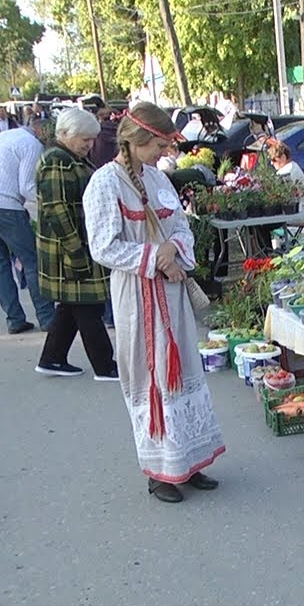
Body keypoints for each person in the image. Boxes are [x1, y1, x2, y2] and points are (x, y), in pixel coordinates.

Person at [83, 102, 225, 503]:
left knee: (183, 371)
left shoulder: (158, 181)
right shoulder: (104, 183)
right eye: (160, 145)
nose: (165, 153)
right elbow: (103, 246)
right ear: (138, 140)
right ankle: (160, 473)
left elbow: (182, 227)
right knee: (152, 378)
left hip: (172, 291)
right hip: (137, 296)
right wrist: (154, 257)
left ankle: (190, 460)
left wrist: (174, 251)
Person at [34, 107, 116, 380]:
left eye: (92, 139)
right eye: (85, 139)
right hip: (68, 249)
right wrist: (76, 252)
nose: (89, 145)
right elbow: (57, 209)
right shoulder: (58, 160)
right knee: (88, 305)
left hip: (72, 246)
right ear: (65, 134)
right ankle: (105, 366)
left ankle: (52, 359)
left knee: (73, 304)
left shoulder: (65, 158)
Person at [0, 114, 56, 334]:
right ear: (42, 132)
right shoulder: (31, 145)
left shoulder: (0, 137)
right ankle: (47, 317)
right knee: (32, 261)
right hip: (5, 206)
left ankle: (14, 318)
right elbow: (27, 187)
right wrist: (52, 203)